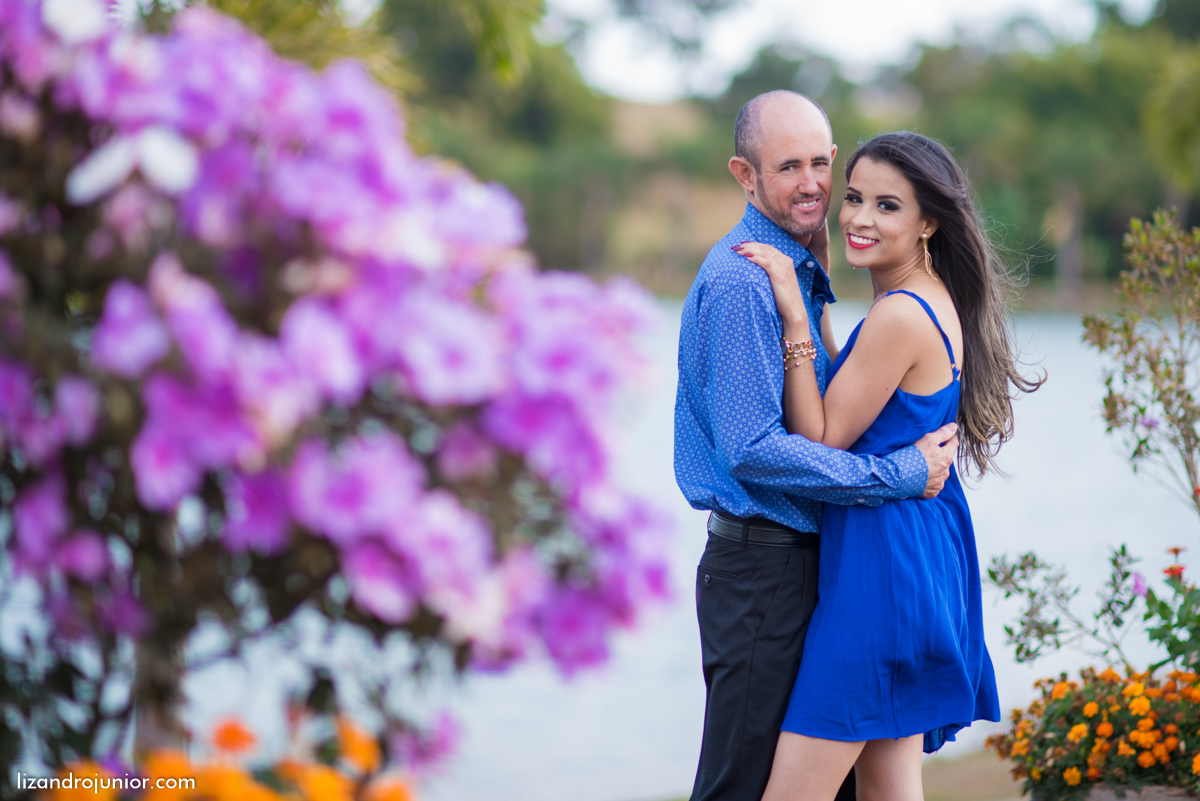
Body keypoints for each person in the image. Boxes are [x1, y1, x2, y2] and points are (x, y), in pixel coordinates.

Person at [736, 131, 1042, 801]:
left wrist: (793, 313)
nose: (860, 218)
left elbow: (819, 434)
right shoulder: (919, 298)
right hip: (913, 548)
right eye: (853, 198)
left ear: (928, 220)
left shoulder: (902, 314)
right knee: (889, 790)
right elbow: (862, 392)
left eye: (887, 206)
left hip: (884, 572)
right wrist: (818, 299)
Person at [674, 91, 960, 801]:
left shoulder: (801, 268)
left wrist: (816, 296)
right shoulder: (747, 280)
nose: (812, 184)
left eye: (818, 164)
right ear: (745, 175)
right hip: (762, 569)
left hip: (823, 564)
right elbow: (754, 449)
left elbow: (830, 404)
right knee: (742, 783)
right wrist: (895, 473)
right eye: (787, 166)